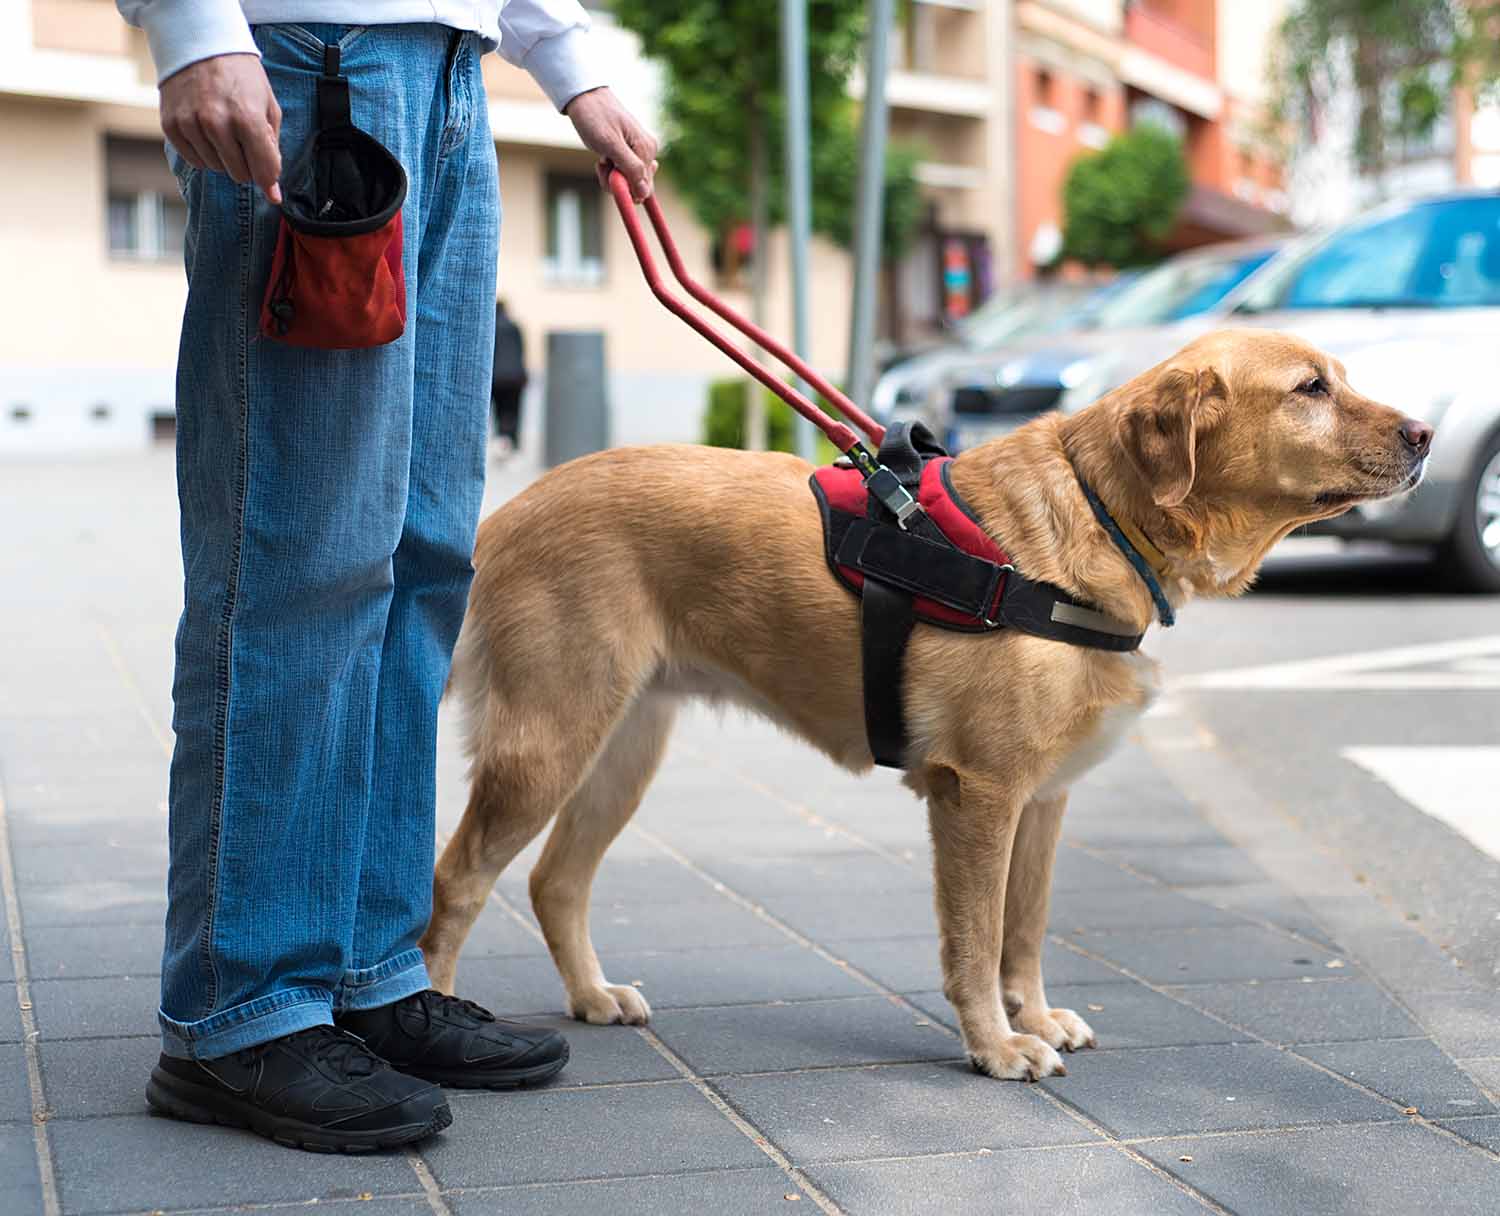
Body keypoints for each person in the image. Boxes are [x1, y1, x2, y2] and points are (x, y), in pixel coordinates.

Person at [114, 0, 657, 1152]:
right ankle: (241, 1007)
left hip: (453, 78)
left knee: (419, 563)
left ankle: (367, 965)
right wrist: (191, 27)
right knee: (297, 564)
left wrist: (563, 59)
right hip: (312, 68)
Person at [490, 298, 527, 458]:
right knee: (513, 411)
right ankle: (511, 441)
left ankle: (501, 440)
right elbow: (522, 351)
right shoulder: (515, 327)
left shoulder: (492, 327)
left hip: (497, 378)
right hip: (515, 378)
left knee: (498, 411)